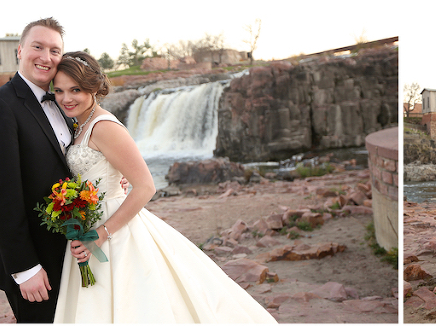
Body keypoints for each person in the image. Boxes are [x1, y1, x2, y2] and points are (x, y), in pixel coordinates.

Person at [51, 51, 277, 323]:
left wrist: (101, 233)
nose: (66, 98)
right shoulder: (79, 124)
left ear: (93, 87)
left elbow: (146, 187)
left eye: (75, 89)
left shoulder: (104, 126)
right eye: (59, 90)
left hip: (112, 231)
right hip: (90, 223)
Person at [0, 17, 73, 323]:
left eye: (55, 50)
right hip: (35, 262)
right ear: (20, 51)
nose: (46, 57)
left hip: (70, 251)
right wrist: (25, 267)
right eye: (37, 47)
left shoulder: (65, 102)